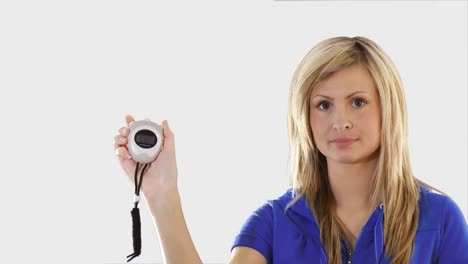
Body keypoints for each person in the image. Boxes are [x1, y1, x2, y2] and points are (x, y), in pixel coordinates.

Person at [113, 36, 468, 264]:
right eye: (324, 105)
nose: (340, 120)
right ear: (305, 117)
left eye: (358, 102)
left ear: (388, 109)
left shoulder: (439, 218)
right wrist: (162, 196)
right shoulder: (273, 221)